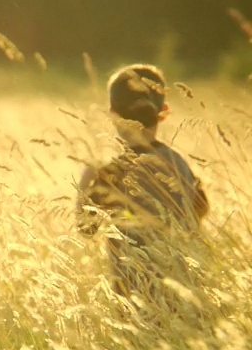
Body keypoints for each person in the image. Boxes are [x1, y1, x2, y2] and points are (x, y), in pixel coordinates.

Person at [76, 64, 209, 296]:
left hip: (132, 291)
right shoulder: (179, 164)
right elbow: (200, 212)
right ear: (164, 112)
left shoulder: (113, 171)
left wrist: (85, 180)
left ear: (113, 114)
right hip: (183, 288)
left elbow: (86, 228)